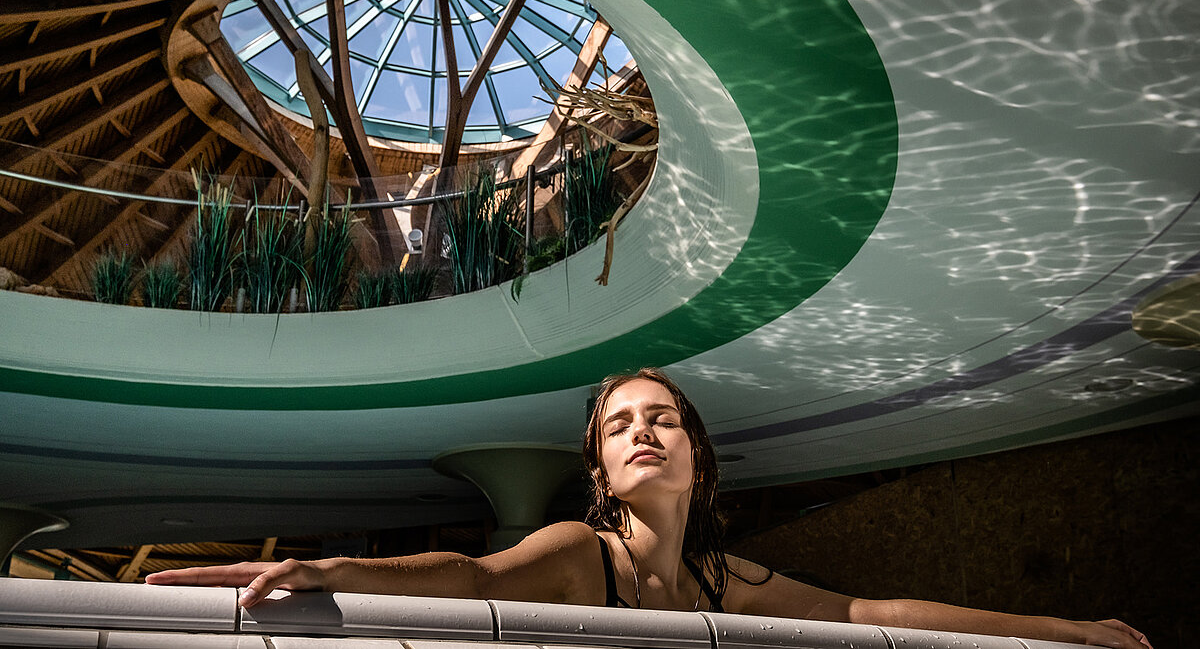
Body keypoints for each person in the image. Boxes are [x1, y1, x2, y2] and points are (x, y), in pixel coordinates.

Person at [147, 368, 1152, 648]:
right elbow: (471, 578)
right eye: (621, 423)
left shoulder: (728, 580)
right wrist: (327, 570)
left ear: (696, 462)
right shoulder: (580, 555)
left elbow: (870, 613)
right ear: (599, 466)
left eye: (664, 419)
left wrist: (1061, 629)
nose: (643, 431)